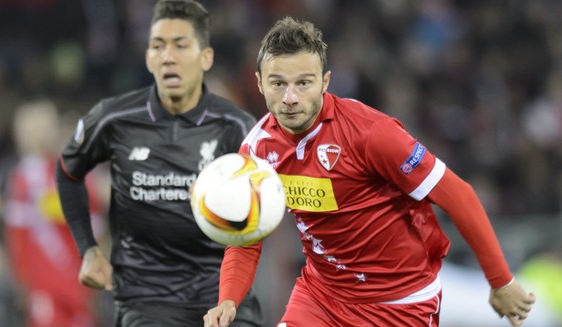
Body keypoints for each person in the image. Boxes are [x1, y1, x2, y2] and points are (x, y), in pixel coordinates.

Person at [204, 17, 536, 327]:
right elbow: (246, 237)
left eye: (303, 83)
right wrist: (228, 299)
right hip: (321, 296)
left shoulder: (371, 134)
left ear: (325, 82)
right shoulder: (257, 149)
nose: (290, 98)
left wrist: (500, 280)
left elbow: (458, 194)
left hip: (401, 302)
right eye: (278, 83)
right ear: (259, 83)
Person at [55, 1, 264, 326]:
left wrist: (225, 202)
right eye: (158, 46)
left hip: (222, 294)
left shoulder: (237, 126)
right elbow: (68, 171)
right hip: (146, 301)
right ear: (149, 57)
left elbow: (266, 204)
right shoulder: (114, 118)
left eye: (181, 45)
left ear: (205, 57)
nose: (168, 56)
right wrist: (89, 249)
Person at [0, 100, 106, 327]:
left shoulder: (76, 172)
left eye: (43, 127)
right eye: (30, 129)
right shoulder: (14, 174)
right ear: (18, 133)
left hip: (77, 281)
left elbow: (97, 221)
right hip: (41, 282)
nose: (37, 135)